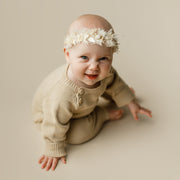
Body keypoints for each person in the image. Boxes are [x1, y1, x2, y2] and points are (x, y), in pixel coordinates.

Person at [32, 14, 152, 171]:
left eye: (103, 58)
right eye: (84, 57)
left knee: (110, 84)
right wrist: (53, 148)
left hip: (81, 105)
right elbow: (54, 121)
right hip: (49, 116)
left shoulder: (104, 72)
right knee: (76, 136)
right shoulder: (62, 94)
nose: (94, 66)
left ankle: (118, 97)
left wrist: (130, 102)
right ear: (68, 55)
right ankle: (102, 114)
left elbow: (115, 81)